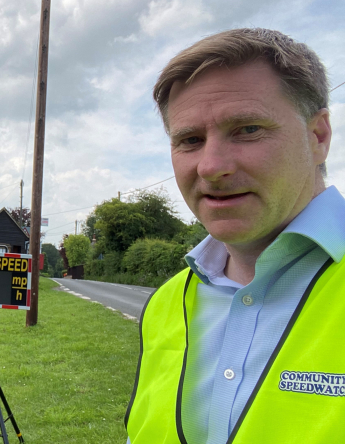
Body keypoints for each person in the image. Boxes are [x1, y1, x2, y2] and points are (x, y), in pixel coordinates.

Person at [125, 28, 343, 443]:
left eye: (247, 129)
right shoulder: (167, 304)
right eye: (189, 140)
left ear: (318, 137)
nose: (210, 166)